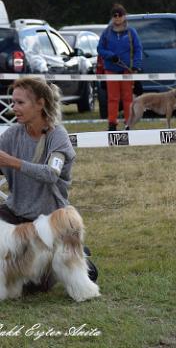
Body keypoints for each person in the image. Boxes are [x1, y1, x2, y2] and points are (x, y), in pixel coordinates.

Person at [0, 76, 98, 291]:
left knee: (35, 287)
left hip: (48, 220)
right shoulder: (11, 135)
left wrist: (12, 162)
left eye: (20, 102)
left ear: (40, 104)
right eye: (12, 102)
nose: (13, 107)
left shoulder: (58, 136)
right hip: (15, 213)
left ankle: (75, 255)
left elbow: (51, 174)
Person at [97, 3, 142, 131]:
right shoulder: (106, 32)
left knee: (128, 97)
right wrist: (110, 56)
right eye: (114, 15)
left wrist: (136, 66)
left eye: (120, 15)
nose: (117, 18)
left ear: (124, 16)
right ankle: (112, 123)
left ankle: (128, 123)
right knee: (113, 98)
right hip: (111, 69)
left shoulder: (131, 32)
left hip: (126, 69)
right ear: (112, 17)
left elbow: (138, 49)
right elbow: (100, 49)